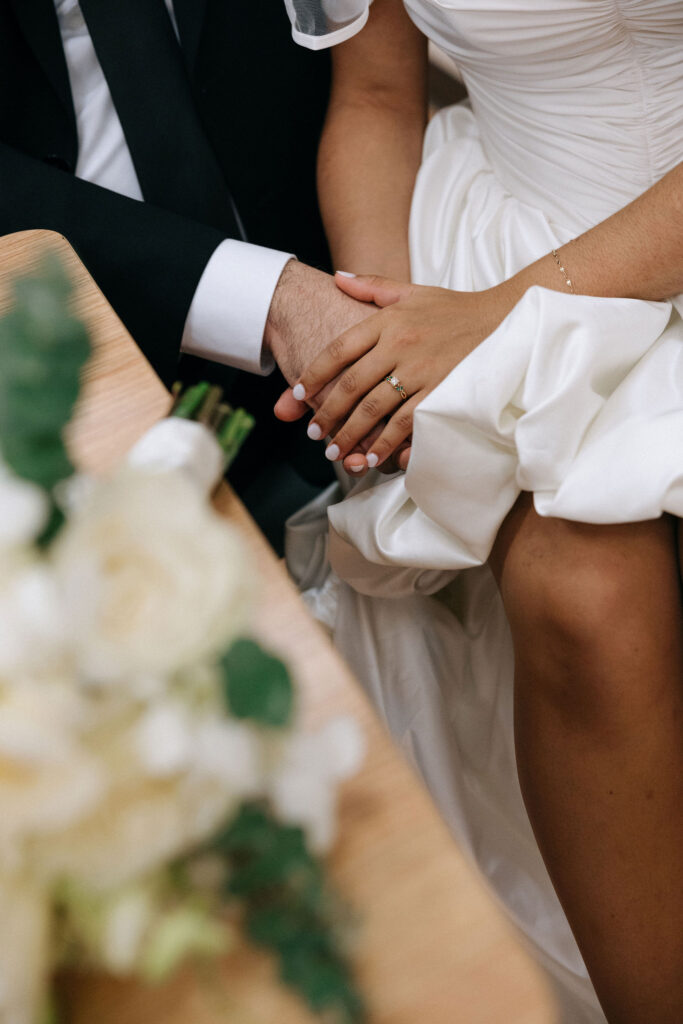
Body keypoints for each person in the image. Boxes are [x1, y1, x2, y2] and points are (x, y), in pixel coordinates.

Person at [279, 1, 683, 1021]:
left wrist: (486, 322)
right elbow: (373, 95)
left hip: (555, 279)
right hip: (510, 214)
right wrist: (383, 332)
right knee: (580, 590)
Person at [0, 0, 374, 550]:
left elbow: (371, 87)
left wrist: (366, 319)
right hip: (50, 368)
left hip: (328, 338)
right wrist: (271, 299)